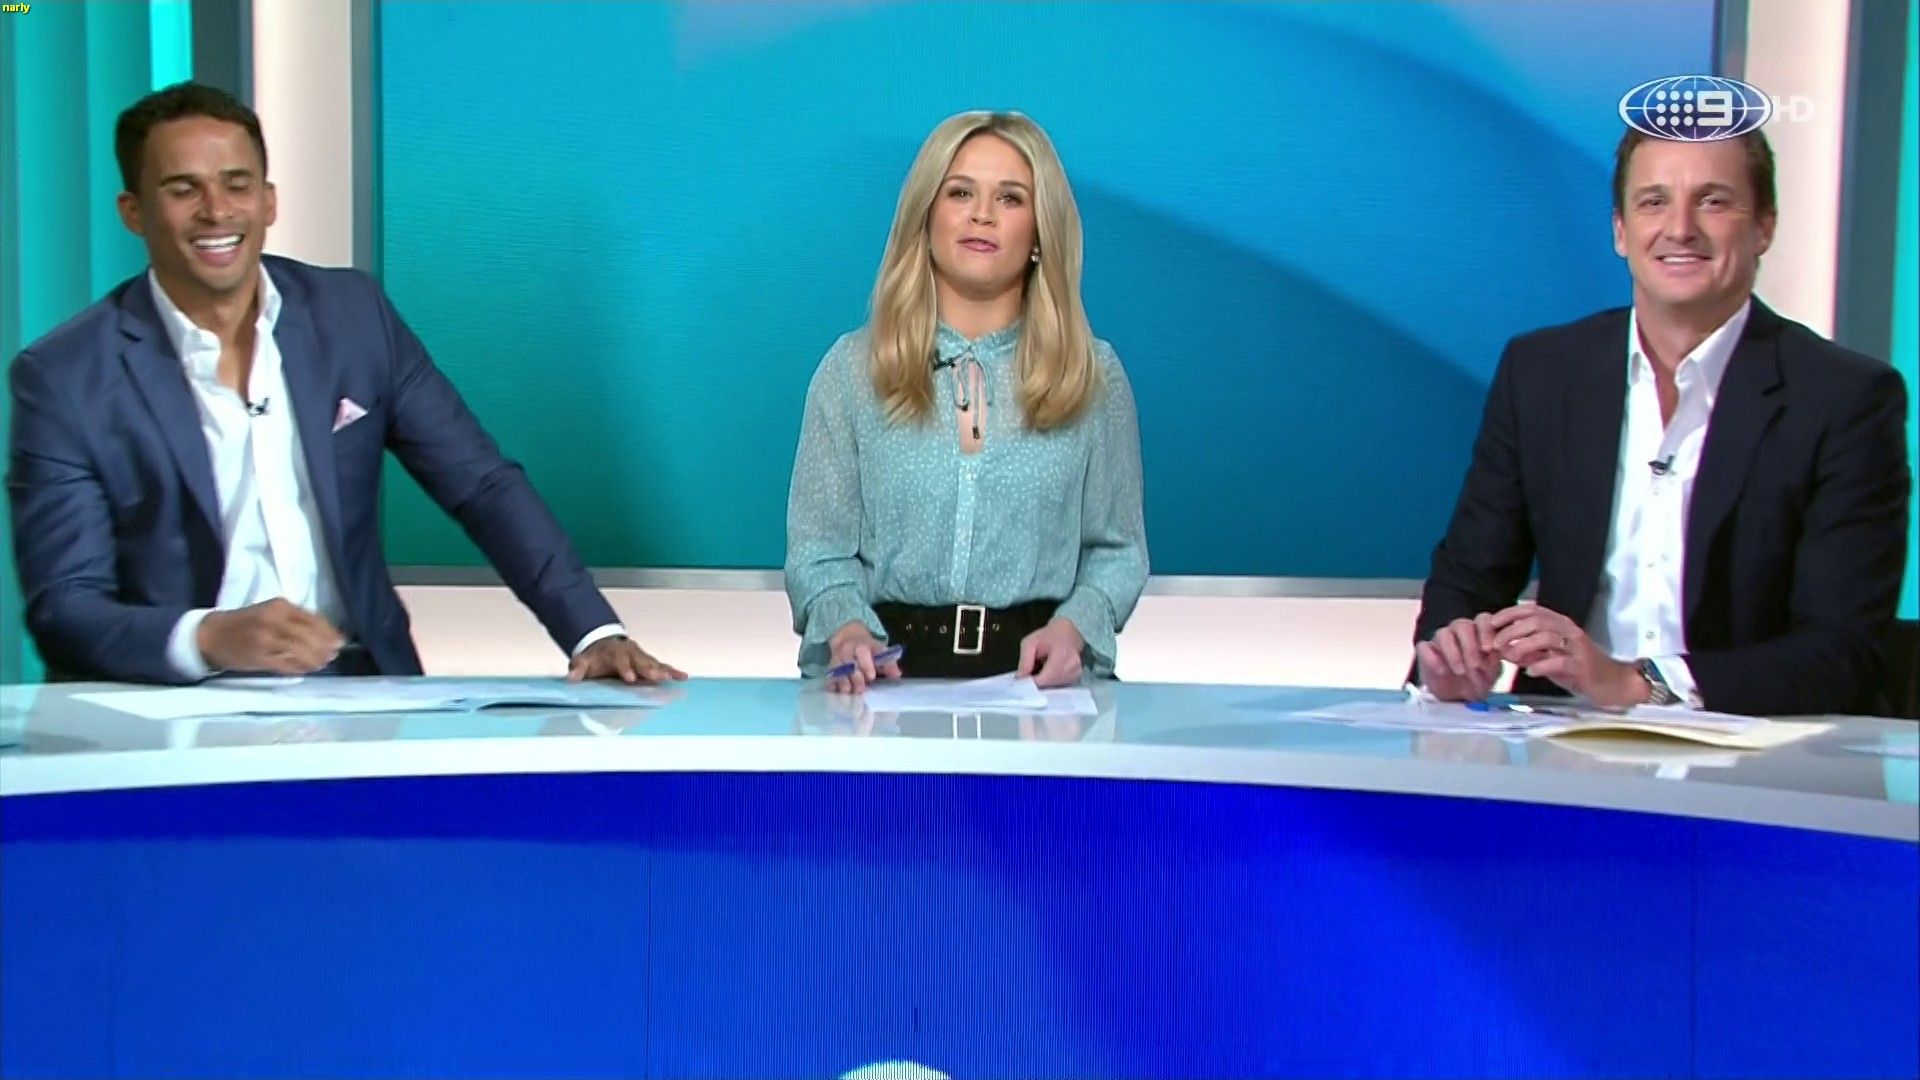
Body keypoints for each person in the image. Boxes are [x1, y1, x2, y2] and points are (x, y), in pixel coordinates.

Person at [7, 82, 683, 686]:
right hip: (172, 708)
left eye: (237, 184)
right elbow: (66, 605)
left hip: (356, 689)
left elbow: (481, 485)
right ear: (133, 211)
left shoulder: (352, 317)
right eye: (183, 190)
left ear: (269, 201)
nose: (217, 210)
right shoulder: (65, 377)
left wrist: (592, 632)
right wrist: (209, 638)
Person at [1412, 126, 1910, 716]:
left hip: (1755, 742)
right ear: (1621, 231)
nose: (1680, 229)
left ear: (1764, 227)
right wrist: (1448, 662)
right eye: (1653, 202)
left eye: (1713, 201)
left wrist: (1635, 682)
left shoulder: (1845, 397)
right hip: (1558, 738)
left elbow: (1842, 650)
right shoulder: (1541, 373)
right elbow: (1470, 576)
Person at [785, 110, 1148, 692]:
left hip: (1040, 689)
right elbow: (817, 552)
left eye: (1010, 198)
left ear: (1040, 231)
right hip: (885, 681)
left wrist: (1075, 629)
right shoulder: (852, 371)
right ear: (926, 216)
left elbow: (1118, 551)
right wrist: (847, 629)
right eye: (960, 192)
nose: (983, 214)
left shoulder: (1093, 375)